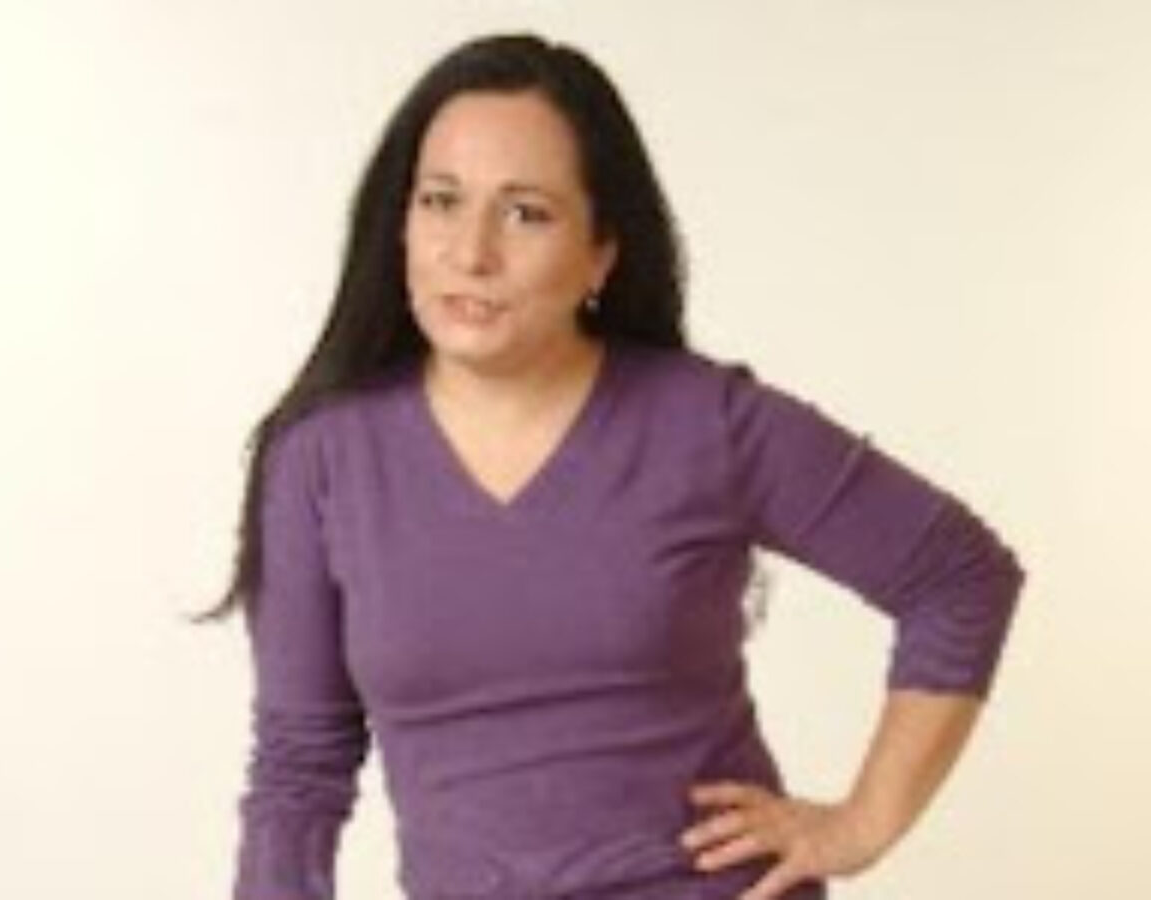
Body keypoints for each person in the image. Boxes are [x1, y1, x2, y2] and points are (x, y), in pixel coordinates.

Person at [194, 32, 1026, 900]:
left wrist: (861, 824)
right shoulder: (321, 458)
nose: (471, 252)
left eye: (526, 213)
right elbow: (300, 769)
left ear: (601, 250)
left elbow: (958, 574)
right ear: (398, 223)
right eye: (441, 201)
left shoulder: (709, 422)